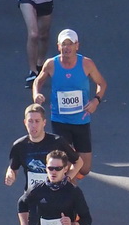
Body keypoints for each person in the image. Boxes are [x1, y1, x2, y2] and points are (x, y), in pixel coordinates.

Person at [30, 27, 106, 179]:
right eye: (63, 44)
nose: (67, 48)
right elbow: (37, 81)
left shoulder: (86, 64)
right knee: (65, 161)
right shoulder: (51, 64)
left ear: (77, 45)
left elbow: (102, 83)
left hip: (81, 120)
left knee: (85, 167)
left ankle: (69, 183)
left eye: (70, 44)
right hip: (60, 120)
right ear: (58, 46)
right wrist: (36, 94)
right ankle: (67, 189)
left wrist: (96, 101)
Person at [5, 102, 80, 190]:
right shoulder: (19, 145)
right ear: (25, 122)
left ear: (44, 122)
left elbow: (78, 162)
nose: (34, 125)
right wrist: (10, 175)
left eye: (37, 121)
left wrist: (67, 179)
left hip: (56, 193)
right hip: (33, 194)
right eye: (30, 121)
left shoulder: (57, 141)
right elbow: (13, 167)